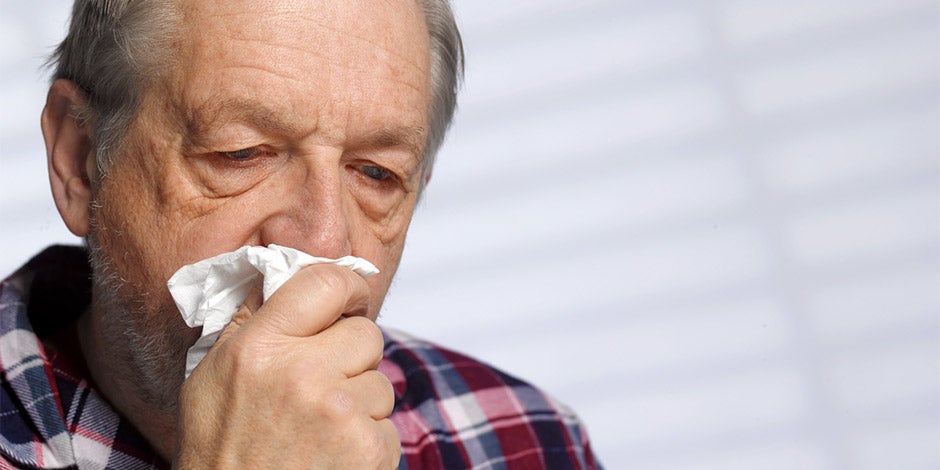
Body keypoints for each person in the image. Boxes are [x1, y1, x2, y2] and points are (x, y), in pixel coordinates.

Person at [0, 0, 601, 468]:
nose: (322, 241)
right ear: (80, 162)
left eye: (375, 172)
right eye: (241, 153)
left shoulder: (525, 440)